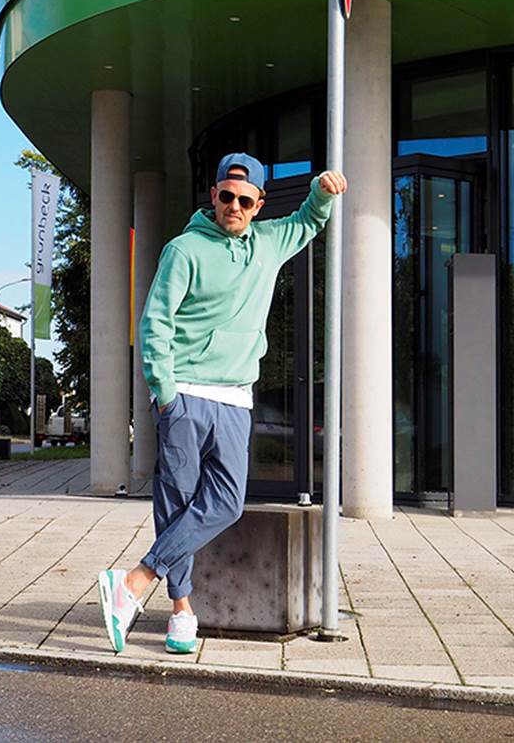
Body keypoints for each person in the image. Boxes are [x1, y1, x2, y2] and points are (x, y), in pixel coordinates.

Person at [97, 152, 346, 654]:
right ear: (213, 196)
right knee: (176, 504)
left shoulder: (270, 243)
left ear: (258, 204)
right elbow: (155, 323)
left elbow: (310, 220)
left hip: (235, 399)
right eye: (226, 196)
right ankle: (181, 612)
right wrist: (164, 394)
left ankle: (134, 582)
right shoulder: (184, 250)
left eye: (244, 199)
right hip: (184, 394)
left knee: (225, 504)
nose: (234, 205)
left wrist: (322, 191)